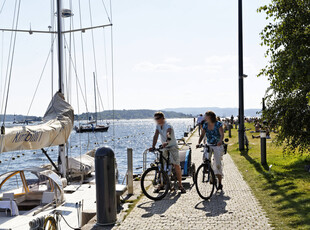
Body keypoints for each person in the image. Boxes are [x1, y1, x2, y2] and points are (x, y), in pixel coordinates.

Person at [150, 112, 186, 193]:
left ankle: (180, 185)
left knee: (176, 165)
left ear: (162, 118)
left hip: (172, 146)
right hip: (164, 147)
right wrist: (153, 146)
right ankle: (161, 184)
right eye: (155, 118)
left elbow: (168, 133)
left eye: (158, 118)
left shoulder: (168, 125)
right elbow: (156, 136)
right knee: (161, 165)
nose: (156, 120)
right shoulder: (158, 126)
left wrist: (167, 141)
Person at [196, 111, 225, 190]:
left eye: (206, 116)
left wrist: (220, 141)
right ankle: (210, 173)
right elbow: (202, 134)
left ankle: (219, 182)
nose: (204, 117)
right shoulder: (205, 125)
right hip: (209, 144)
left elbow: (222, 134)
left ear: (210, 117)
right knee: (206, 159)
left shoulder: (218, 124)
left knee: (217, 164)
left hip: (217, 145)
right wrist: (198, 143)